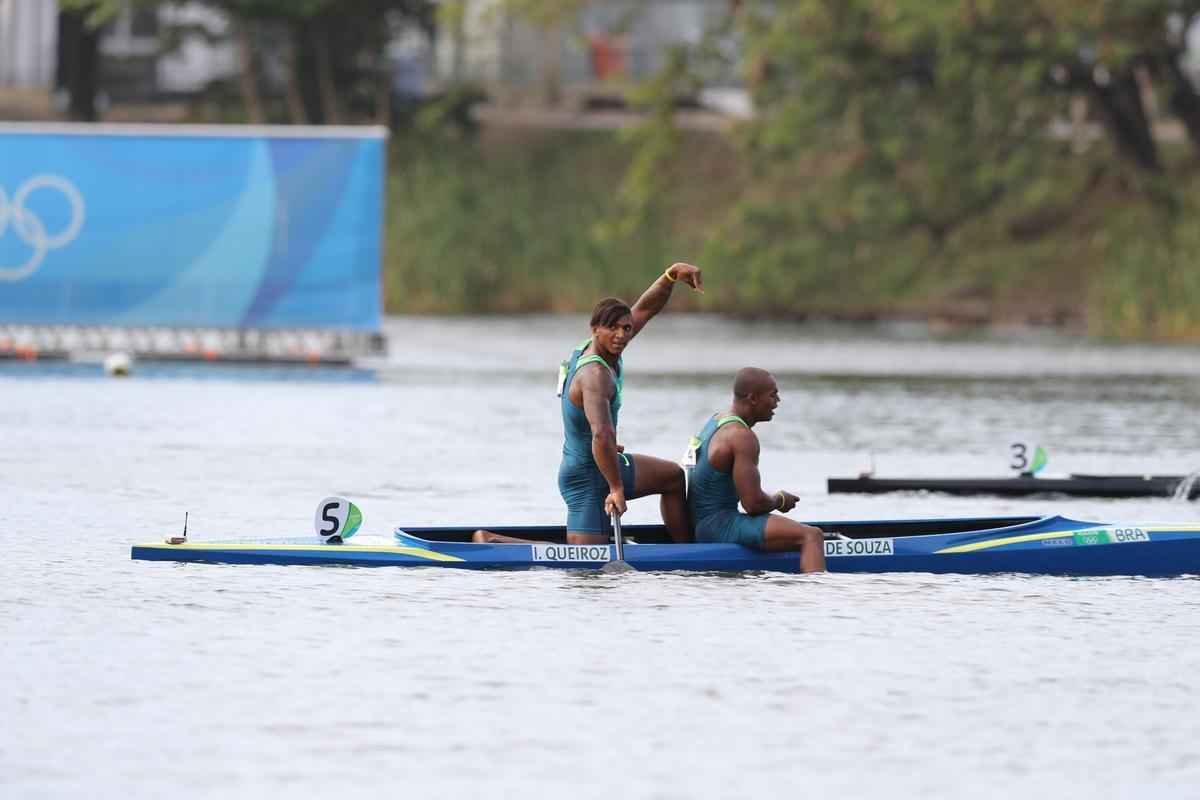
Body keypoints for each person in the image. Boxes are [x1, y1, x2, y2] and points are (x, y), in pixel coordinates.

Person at [474, 262, 704, 545]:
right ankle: (493, 541)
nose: (621, 335)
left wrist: (671, 275)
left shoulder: (602, 346)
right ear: (595, 329)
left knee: (672, 477)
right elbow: (601, 434)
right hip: (586, 475)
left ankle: (685, 552)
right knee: (584, 564)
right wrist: (616, 488)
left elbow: (645, 308)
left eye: (626, 329)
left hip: (602, 460)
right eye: (613, 329)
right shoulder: (595, 376)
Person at [686, 367, 826, 572]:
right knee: (812, 536)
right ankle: (818, 600)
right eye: (773, 394)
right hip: (718, 527)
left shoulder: (717, 419)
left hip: (700, 524)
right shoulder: (741, 437)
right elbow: (753, 504)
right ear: (753, 398)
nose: (778, 401)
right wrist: (780, 499)